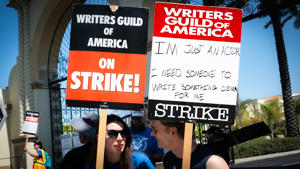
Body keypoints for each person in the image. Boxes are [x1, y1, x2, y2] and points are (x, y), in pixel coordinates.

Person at [151, 120, 230, 169]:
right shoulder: (168, 159)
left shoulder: (213, 163)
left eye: (155, 130)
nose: (152, 134)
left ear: (173, 131)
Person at [85, 114, 155, 169]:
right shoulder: (93, 165)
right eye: (112, 133)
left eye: (123, 133)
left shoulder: (140, 161)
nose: (120, 138)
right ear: (99, 138)